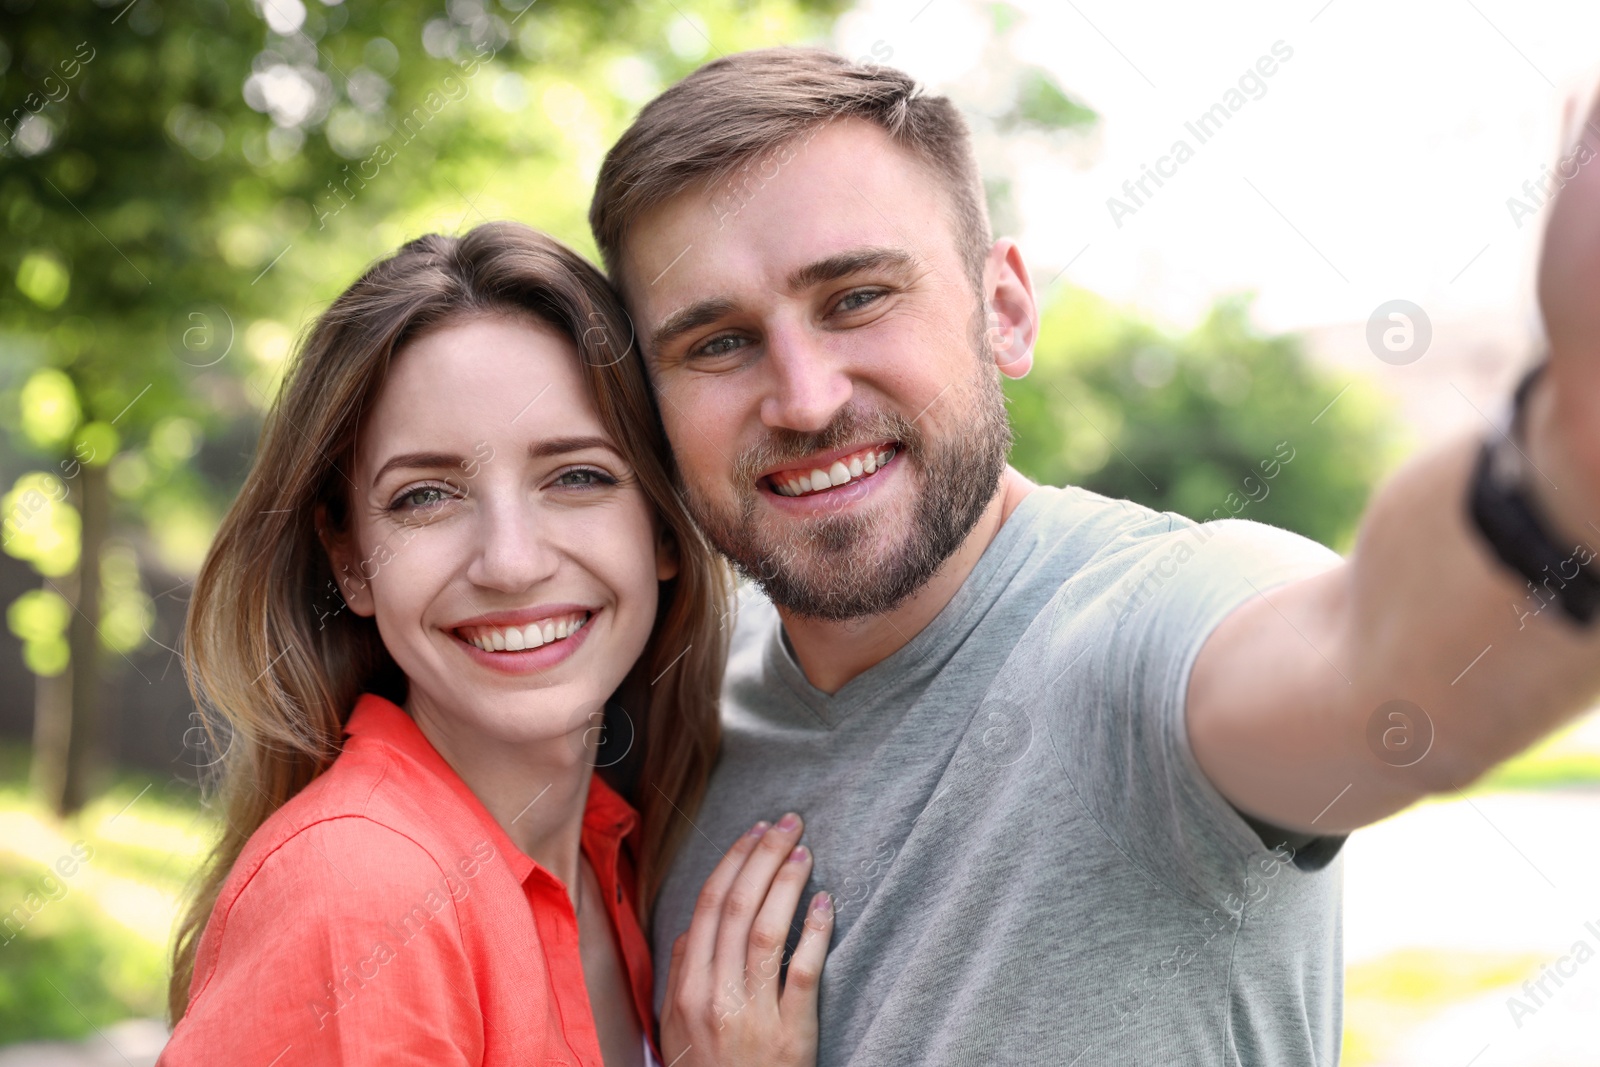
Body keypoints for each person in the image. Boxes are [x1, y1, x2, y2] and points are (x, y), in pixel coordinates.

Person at [587, 48, 1600, 1064]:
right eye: (716, 342)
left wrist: (1565, 464)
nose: (804, 398)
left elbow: (1371, 668)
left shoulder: (1144, 627)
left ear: (1005, 311)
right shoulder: (663, 709)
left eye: (856, 296)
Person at [159, 222, 834, 1067]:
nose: (511, 563)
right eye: (426, 496)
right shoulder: (360, 894)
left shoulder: (615, 862)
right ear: (352, 561)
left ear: (665, 527)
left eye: (577, 476)